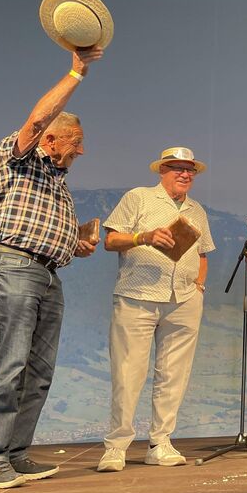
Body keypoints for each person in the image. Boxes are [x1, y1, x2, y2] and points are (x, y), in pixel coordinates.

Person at [0, 46, 102, 489]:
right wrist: (77, 72)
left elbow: (46, 230)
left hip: (47, 273)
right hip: (12, 268)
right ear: (50, 139)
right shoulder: (18, 156)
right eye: (76, 144)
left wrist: (75, 240)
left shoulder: (58, 185)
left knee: (38, 371)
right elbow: (38, 116)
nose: (80, 152)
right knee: (8, 364)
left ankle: (13, 452)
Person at [96, 147, 215, 471]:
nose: (185, 174)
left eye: (190, 170)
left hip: (183, 301)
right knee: (128, 373)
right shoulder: (139, 198)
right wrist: (143, 237)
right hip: (138, 297)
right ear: (162, 171)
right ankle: (116, 446)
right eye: (177, 168)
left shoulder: (197, 210)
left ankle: (160, 443)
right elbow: (110, 240)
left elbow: (203, 252)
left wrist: (199, 287)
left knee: (174, 375)